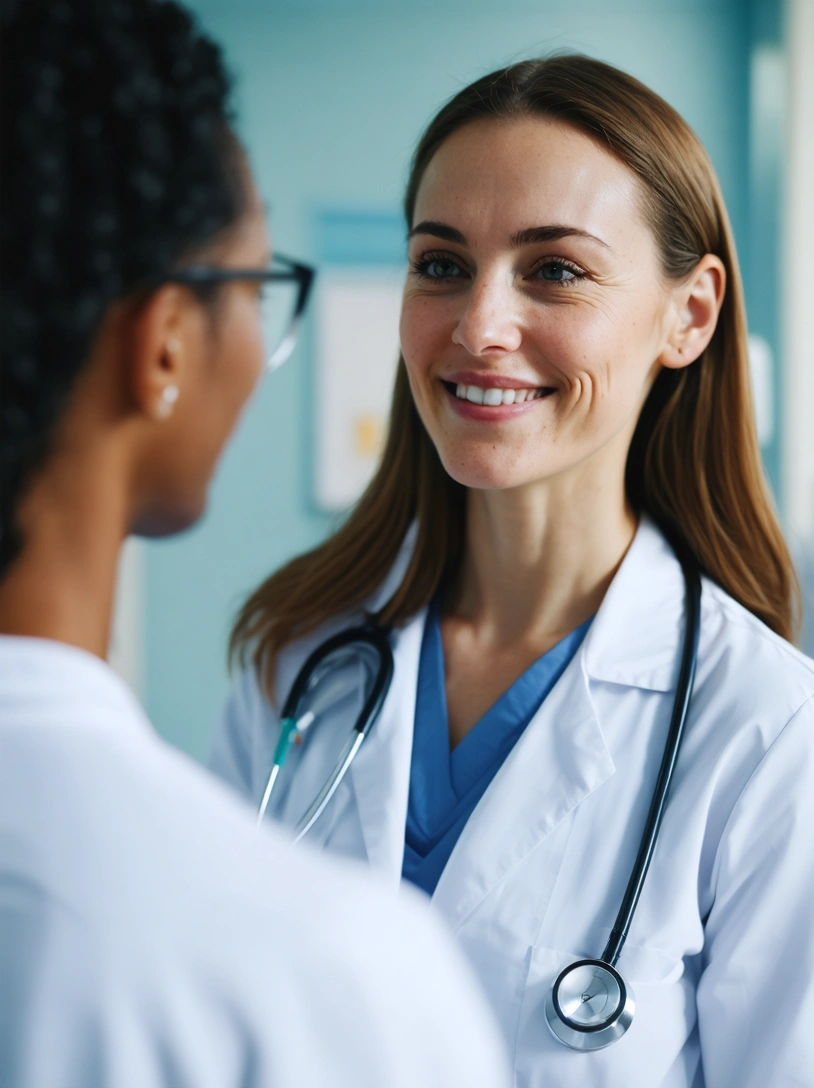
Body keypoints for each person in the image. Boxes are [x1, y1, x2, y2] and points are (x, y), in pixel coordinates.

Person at [210, 55, 814, 1086]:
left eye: (553, 270)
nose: (479, 325)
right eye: (440, 264)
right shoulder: (300, 660)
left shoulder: (764, 733)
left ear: (687, 314)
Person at [0, 3, 509, 1086]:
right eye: (251, 284)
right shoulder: (330, 980)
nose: (479, 328)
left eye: (554, 270)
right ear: (166, 343)